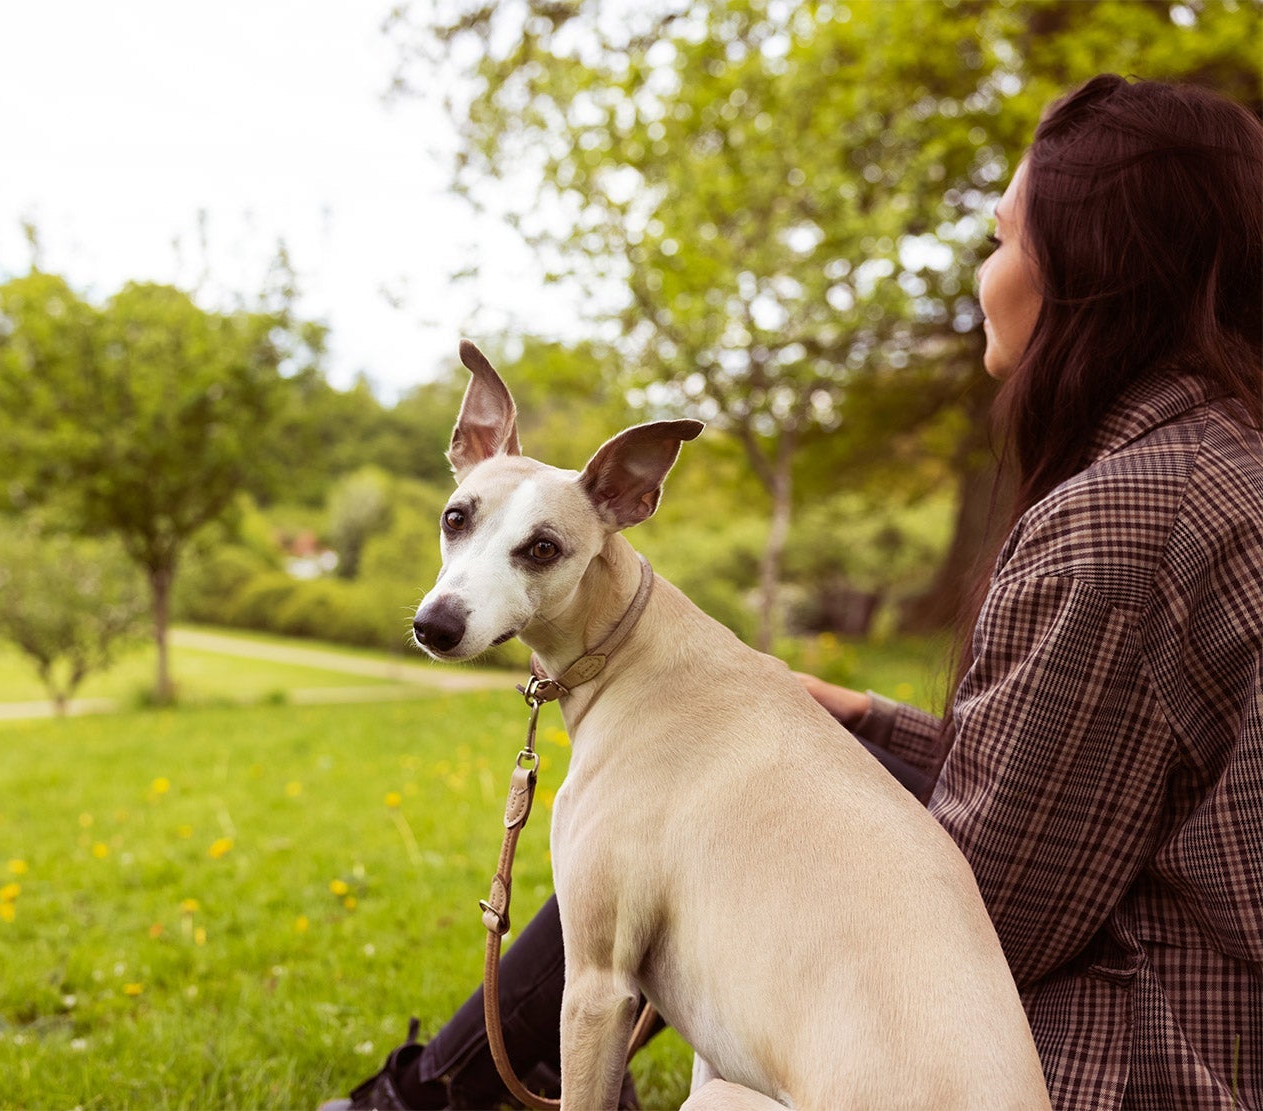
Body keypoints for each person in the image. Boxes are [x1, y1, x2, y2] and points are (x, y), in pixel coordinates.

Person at [333, 73, 1263, 1110]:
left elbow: (992, 903)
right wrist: (861, 720)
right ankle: (457, 1082)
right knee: (675, 782)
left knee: (665, 810)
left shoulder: (1130, 516)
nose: (980, 270)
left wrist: (733, 869)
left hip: (1111, 1043)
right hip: (1097, 983)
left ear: (1092, 271)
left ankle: (436, 1093)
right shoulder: (1213, 459)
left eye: (1000, 239)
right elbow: (1085, 788)